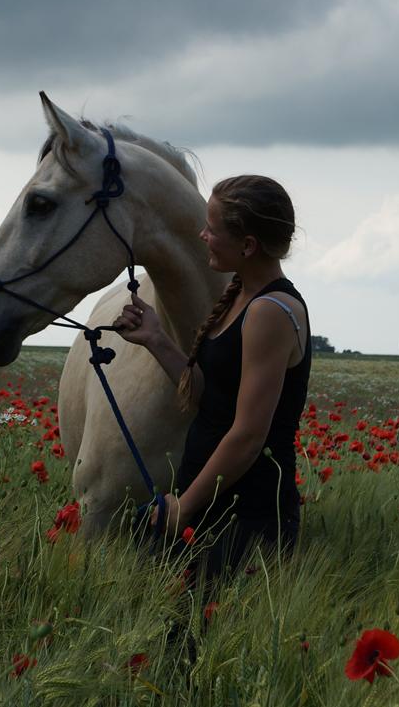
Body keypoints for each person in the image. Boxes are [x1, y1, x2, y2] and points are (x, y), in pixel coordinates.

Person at [113, 174, 311, 583]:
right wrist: (154, 338)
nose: (202, 235)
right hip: (209, 498)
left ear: (248, 245)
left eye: (212, 228)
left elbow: (248, 436)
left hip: (244, 512)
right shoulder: (240, 298)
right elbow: (213, 398)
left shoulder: (271, 311)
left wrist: (184, 507)